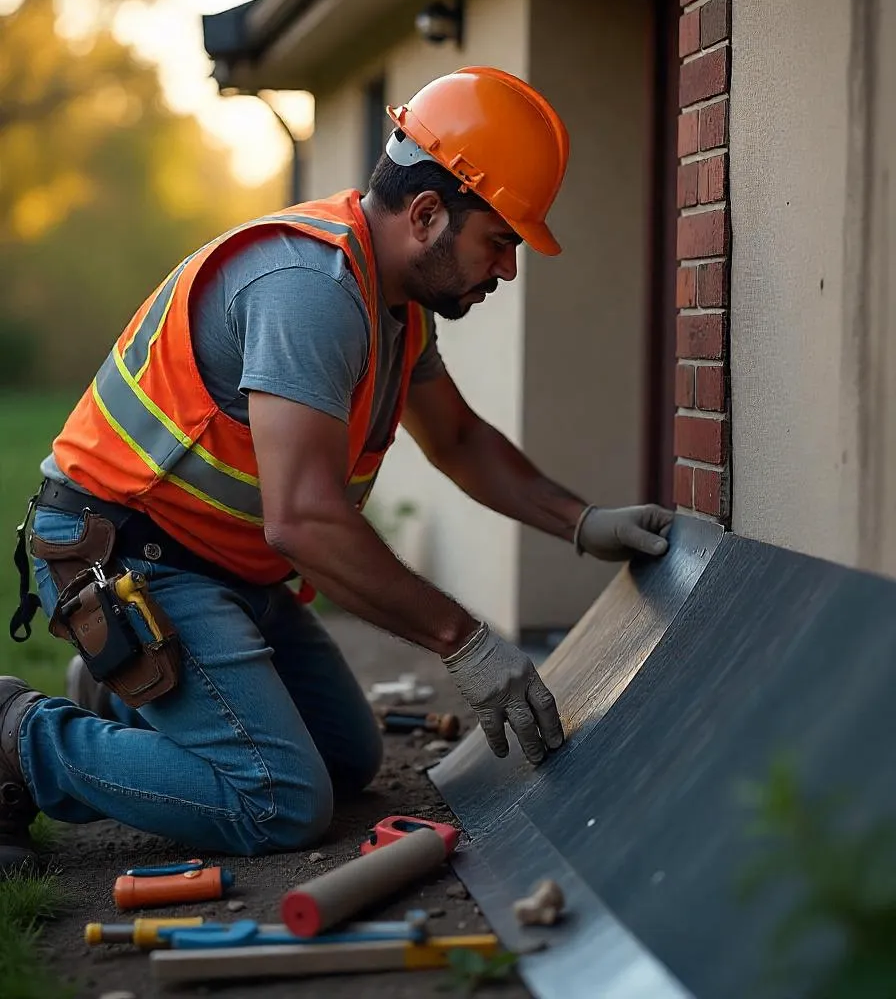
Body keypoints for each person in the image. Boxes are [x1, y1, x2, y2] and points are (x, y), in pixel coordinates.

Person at [1, 67, 673, 871]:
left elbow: (458, 441)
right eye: (500, 242)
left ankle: (118, 684)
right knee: (279, 800)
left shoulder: (395, 306)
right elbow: (305, 521)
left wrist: (583, 523)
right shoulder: (310, 292)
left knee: (347, 760)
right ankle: (19, 737)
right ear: (427, 214)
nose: (508, 270)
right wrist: (465, 643)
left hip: (217, 566)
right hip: (125, 556)